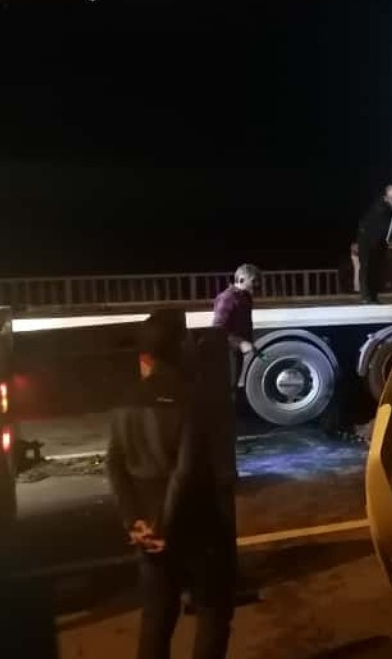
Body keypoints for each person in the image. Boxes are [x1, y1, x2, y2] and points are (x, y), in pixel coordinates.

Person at [107, 310, 234, 659]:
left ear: (144, 358)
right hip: (193, 523)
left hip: (147, 528)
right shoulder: (192, 399)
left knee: (157, 616)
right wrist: (164, 526)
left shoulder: (125, 400)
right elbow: (185, 471)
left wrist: (135, 521)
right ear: (181, 350)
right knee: (212, 611)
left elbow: (114, 465)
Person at [212, 263, 259, 393]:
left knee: (235, 384)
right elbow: (218, 329)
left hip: (236, 350)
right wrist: (240, 343)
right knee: (228, 386)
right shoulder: (227, 297)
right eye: (254, 281)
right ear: (242, 279)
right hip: (227, 351)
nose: (257, 285)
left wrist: (248, 341)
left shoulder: (245, 297)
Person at [356, 184, 392, 303]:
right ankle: (366, 296)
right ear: (386, 197)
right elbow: (381, 227)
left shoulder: (388, 209)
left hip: (378, 243)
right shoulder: (380, 208)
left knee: (376, 269)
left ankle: (373, 296)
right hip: (368, 243)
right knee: (367, 268)